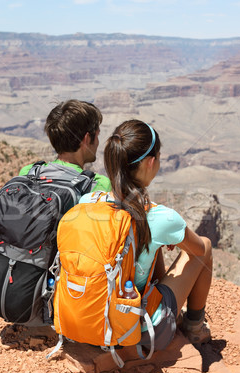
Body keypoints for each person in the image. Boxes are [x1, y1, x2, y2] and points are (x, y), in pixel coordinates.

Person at [80, 119, 213, 349]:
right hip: (135, 330)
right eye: (159, 158)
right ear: (151, 162)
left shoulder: (87, 201)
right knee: (207, 245)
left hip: (89, 317)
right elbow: (199, 250)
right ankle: (194, 328)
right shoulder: (161, 218)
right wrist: (170, 237)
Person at [19, 99, 111, 192]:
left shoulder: (28, 172)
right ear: (86, 139)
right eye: (97, 135)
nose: (98, 142)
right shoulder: (99, 185)